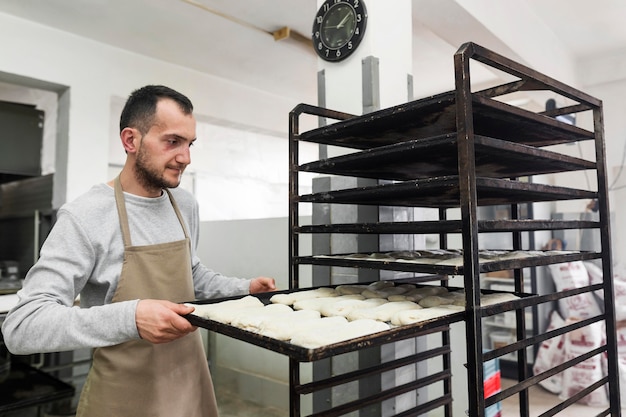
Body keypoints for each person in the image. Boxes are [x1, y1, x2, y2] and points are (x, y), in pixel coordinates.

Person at [1, 85, 276, 416]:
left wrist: (243, 290)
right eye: (172, 141)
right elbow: (22, 326)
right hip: (124, 396)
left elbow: (191, 274)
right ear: (131, 141)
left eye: (190, 144)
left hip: (189, 381)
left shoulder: (184, 205)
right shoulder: (86, 215)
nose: (185, 157)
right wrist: (131, 318)